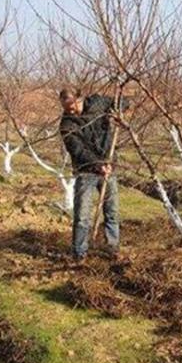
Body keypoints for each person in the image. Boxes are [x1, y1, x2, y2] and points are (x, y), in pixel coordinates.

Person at [58, 88, 128, 260]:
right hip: (86, 171)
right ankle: (79, 253)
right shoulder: (67, 124)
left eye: (71, 105)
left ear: (80, 99)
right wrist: (98, 165)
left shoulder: (97, 103)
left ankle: (112, 248)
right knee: (82, 216)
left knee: (111, 211)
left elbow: (123, 101)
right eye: (65, 107)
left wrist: (118, 112)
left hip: (109, 164)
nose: (69, 110)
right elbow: (78, 150)